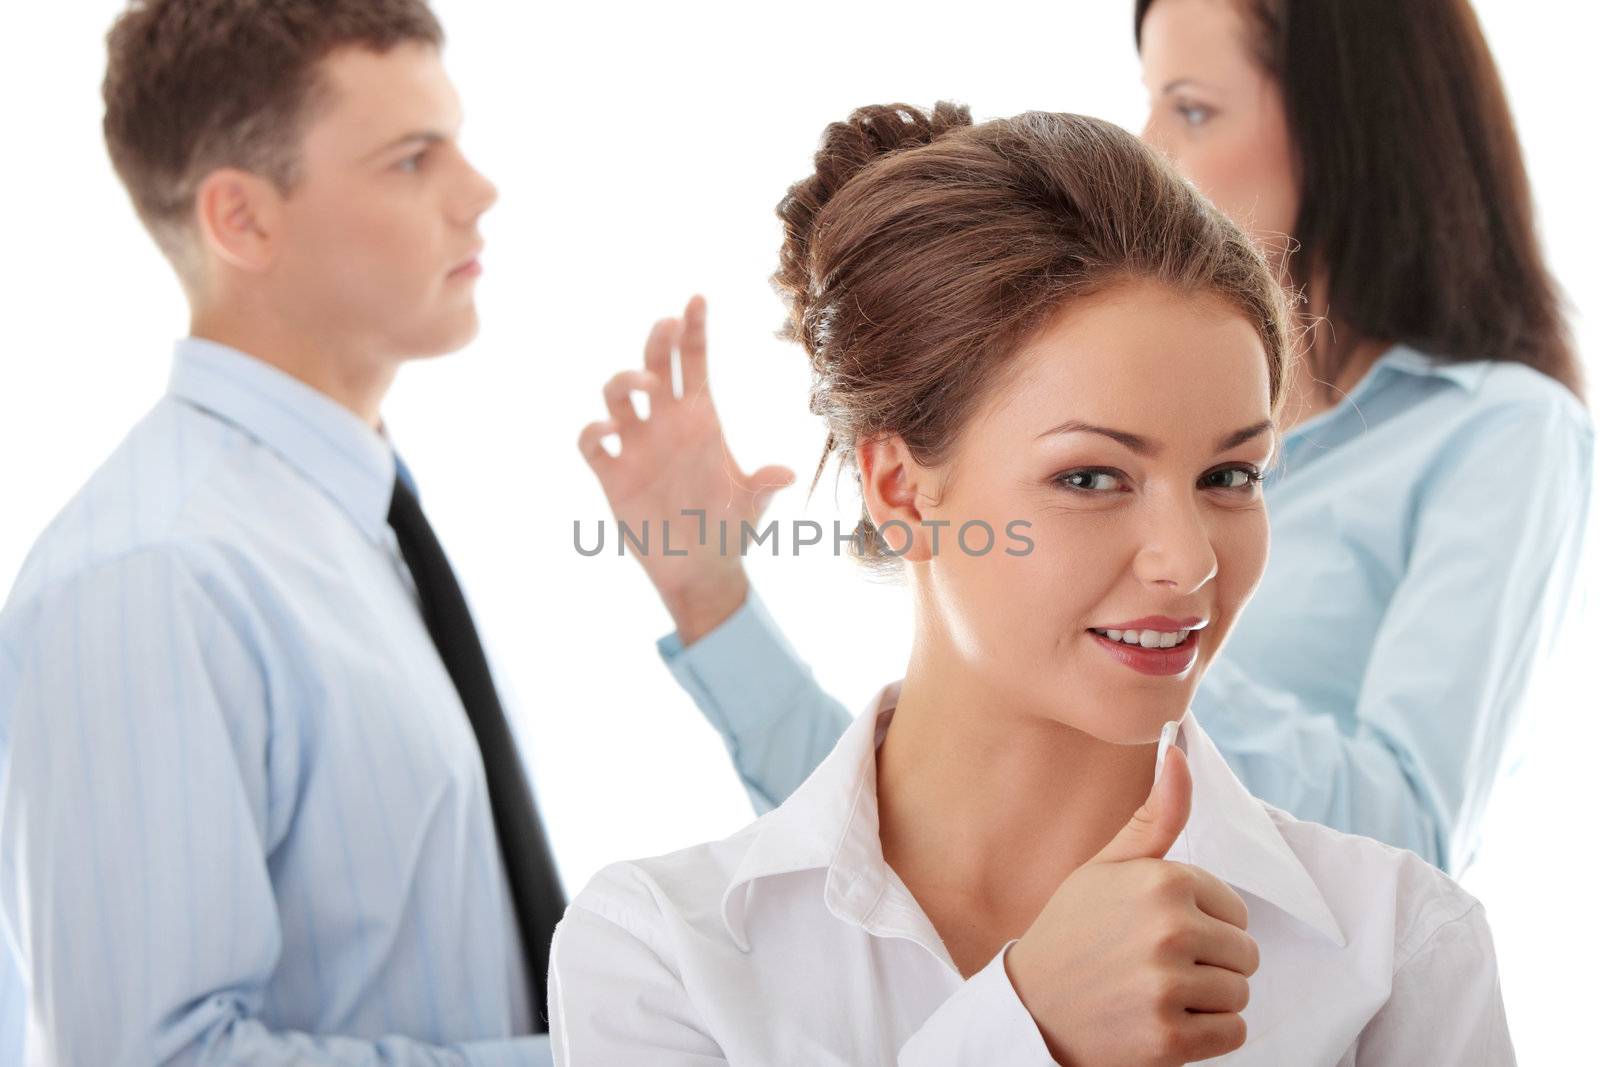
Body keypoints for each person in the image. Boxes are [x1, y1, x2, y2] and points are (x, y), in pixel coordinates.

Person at [557, 102, 1511, 1065]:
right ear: (901, 488)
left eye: (1230, 476)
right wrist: (1026, 1031)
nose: (1188, 561)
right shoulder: (665, 956)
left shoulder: (1395, 953)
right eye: (1091, 477)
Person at [588, 0, 1593, 876]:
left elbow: (1405, 838)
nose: (1151, 141)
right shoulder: (646, 937)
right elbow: (885, 843)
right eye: (1093, 473)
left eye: (1192, 107)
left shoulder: (1497, 433)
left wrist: (1154, 632)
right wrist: (710, 598)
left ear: (1354, 132)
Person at [0, 2, 563, 1062]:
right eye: (411, 158)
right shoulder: (153, 574)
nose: (478, 191)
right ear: (241, 220)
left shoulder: (358, 523)